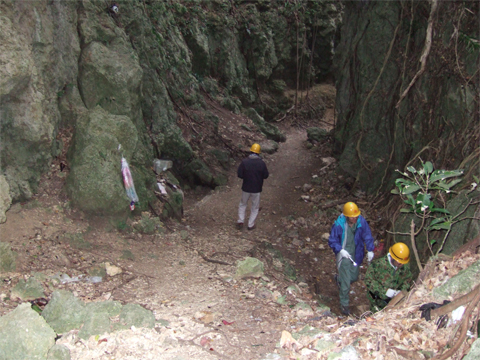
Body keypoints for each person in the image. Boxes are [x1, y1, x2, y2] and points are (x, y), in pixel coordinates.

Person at [328, 202, 375, 315]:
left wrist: (370, 249)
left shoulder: (361, 222)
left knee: (353, 277)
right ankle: (344, 304)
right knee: (346, 283)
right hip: (344, 255)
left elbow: (367, 234)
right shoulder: (339, 225)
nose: (354, 218)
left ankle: (339, 280)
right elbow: (332, 240)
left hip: (356, 253)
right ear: (346, 216)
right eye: (352, 217)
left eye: (356, 216)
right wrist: (340, 250)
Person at [364, 242, 413, 312]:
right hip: (377, 302)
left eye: (403, 263)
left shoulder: (404, 266)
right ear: (392, 257)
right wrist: (385, 291)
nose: (401, 264)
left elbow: (407, 279)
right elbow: (368, 280)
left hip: (395, 303)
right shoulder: (378, 265)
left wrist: (401, 291)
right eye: (399, 262)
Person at [237, 143, 269, 231]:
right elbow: (266, 175)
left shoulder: (244, 162)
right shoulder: (261, 163)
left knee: (243, 204)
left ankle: (240, 221)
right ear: (258, 153)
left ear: (250, 151)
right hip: (257, 189)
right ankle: (250, 224)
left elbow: (239, 174)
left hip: (246, 187)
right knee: (255, 207)